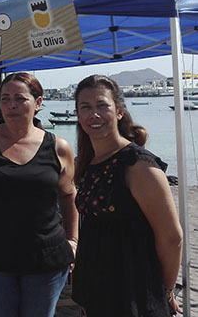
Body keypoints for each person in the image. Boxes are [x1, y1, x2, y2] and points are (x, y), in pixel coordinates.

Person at [0, 72, 77, 317]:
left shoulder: (58, 147)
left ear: (38, 103)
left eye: (20, 99)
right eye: (5, 99)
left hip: (46, 261)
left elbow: (68, 195)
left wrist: (73, 241)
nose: (11, 105)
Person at [71, 75, 182, 316]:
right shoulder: (89, 162)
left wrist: (165, 290)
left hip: (134, 293)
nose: (94, 114)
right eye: (85, 107)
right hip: (96, 290)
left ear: (119, 111)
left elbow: (172, 237)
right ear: (78, 115)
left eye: (102, 105)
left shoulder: (138, 165)